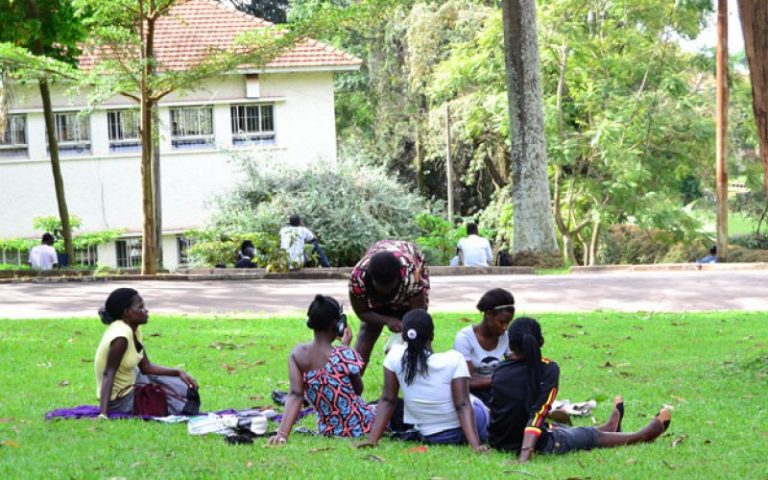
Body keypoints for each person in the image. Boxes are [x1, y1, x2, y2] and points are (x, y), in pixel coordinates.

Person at [489, 317, 672, 463]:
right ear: (541, 341)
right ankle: (641, 436)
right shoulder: (548, 368)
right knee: (587, 436)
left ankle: (609, 428)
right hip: (534, 443)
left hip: (499, 441)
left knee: (560, 427)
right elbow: (538, 413)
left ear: (511, 345)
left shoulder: (499, 369)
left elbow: (503, 411)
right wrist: (525, 455)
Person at [359, 309, 489, 452]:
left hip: (432, 436)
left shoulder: (394, 356)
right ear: (432, 335)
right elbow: (462, 404)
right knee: (482, 408)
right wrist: (475, 445)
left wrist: (372, 440)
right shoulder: (454, 359)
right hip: (468, 427)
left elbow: (388, 400)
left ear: (403, 336)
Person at [269, 295, 374, 445]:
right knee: (388, 406)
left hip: (327, 429)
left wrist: (282, 434)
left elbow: (295, 395)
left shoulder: (297, 355)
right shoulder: (344, 353)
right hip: (359, 426)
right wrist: (345, 348)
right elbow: (358, 390)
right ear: (338, 325)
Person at [95, 288, 200, 418]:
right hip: (120, 399)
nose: (146, 311)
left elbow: (146, 367)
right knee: (173, 401)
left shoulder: (134, 329)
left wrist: (178, 372)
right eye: (141, 307)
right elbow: (108, 373)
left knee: (182, 386)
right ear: (126, 312)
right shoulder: (121, 337)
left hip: (135, 378)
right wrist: (103, 414)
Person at [349, 240, 429, 372]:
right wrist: (386, 320)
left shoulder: (410, 272)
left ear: (399, 278)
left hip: (409, 282)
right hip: (376, 291)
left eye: (391, 288)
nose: (387, 294)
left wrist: (406, 329)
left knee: (416, 334)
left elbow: (418, 314)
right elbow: (362, 312)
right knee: (367, 332)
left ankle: (421, 377)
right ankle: (351, 386)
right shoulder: (358, 277)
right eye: (382, 289)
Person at [453, 288, 515, 406]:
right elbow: (467, 381)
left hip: (497, 391)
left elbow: (516, 364)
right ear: (488, 315)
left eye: (508, 322)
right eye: (502, 322)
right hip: (473, 396)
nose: (505, 327)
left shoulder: (505, 336)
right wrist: (502, 380)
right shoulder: (465, 338)